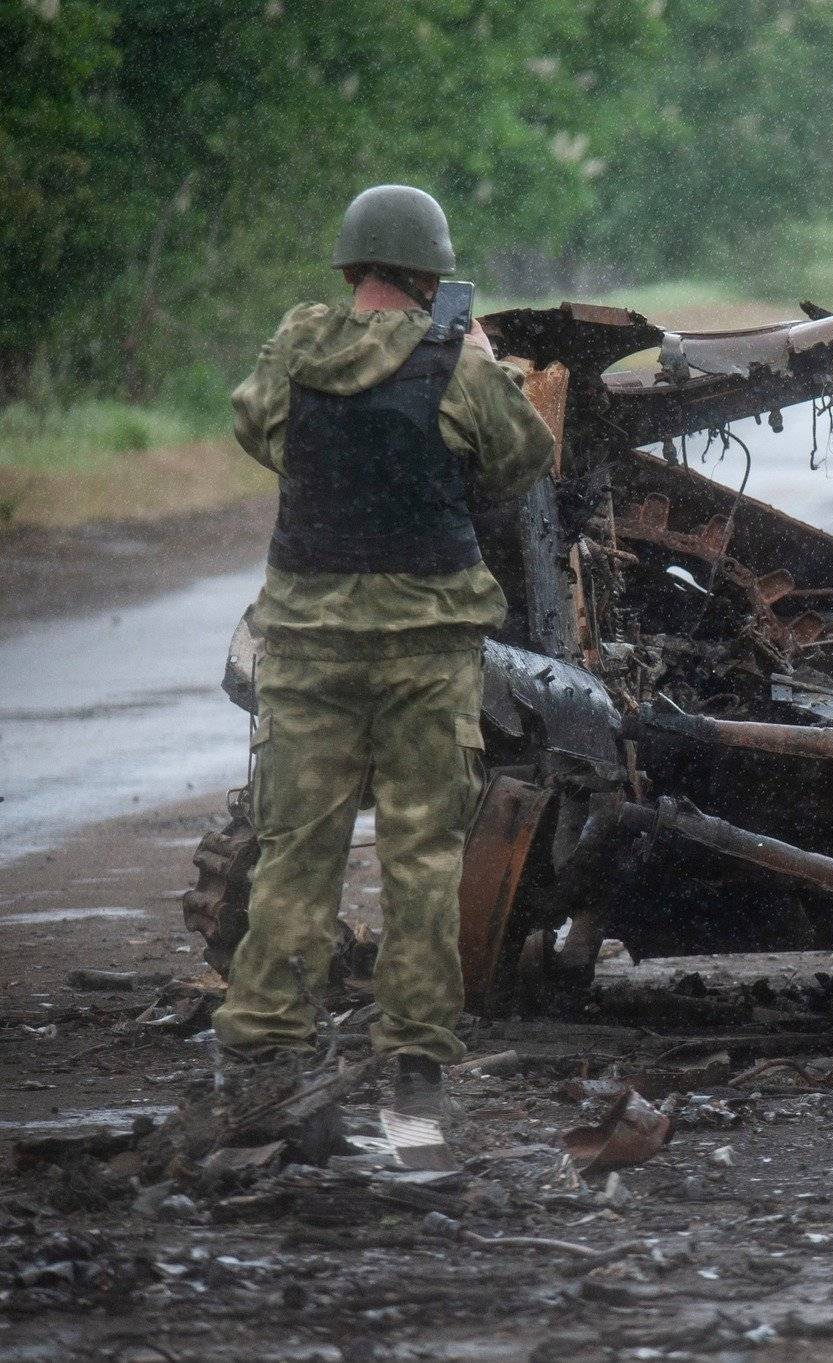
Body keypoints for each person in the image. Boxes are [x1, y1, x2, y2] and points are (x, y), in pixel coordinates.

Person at [211, 185, 557, 1118]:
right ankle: (414, 1059)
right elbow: (524, 459)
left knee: (296, 850)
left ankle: (264, 1050)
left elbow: (256, 426)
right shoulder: (459, 363)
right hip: (425, 653)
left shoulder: (295, 347)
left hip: (309, 647)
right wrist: (486, 364)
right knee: (422, 856)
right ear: (431, 273)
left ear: (354, 265)